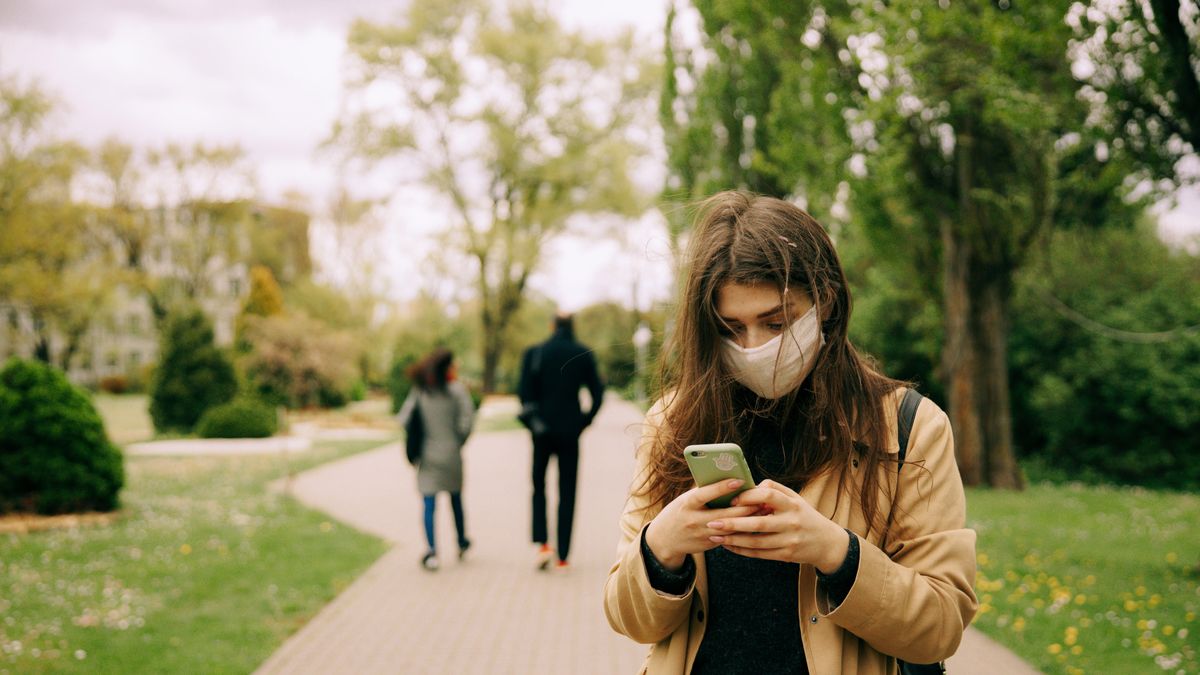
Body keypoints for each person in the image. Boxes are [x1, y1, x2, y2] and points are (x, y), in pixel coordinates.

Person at [603, 191, 978, 673]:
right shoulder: (673, 422)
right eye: (731, 328)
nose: (755, 347)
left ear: (824, 300)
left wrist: (835, 553)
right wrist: (660, 549)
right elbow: (629, 620)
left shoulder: (907, 426)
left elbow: (941, 626)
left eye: (776, 322)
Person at [518, 312, 605, 571]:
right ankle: (564, 555)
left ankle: (543, 543)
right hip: (570, 431)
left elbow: (524, 394)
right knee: (568, 491)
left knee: (538, 485)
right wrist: (584, 421)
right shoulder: (582, 353)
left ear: (552, 325)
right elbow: (598, 394)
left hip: (541, 432)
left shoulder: (535, 353)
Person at [396, 348, 475, 571]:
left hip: (428, 456)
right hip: (451, 454)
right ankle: (461, 541)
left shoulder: (422, 391)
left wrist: (419, 437)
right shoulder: (457, 391)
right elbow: (467, 422)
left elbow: (404, 418)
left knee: (429, 504)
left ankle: (432, 551)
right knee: (456, 499)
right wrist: (458, 440)